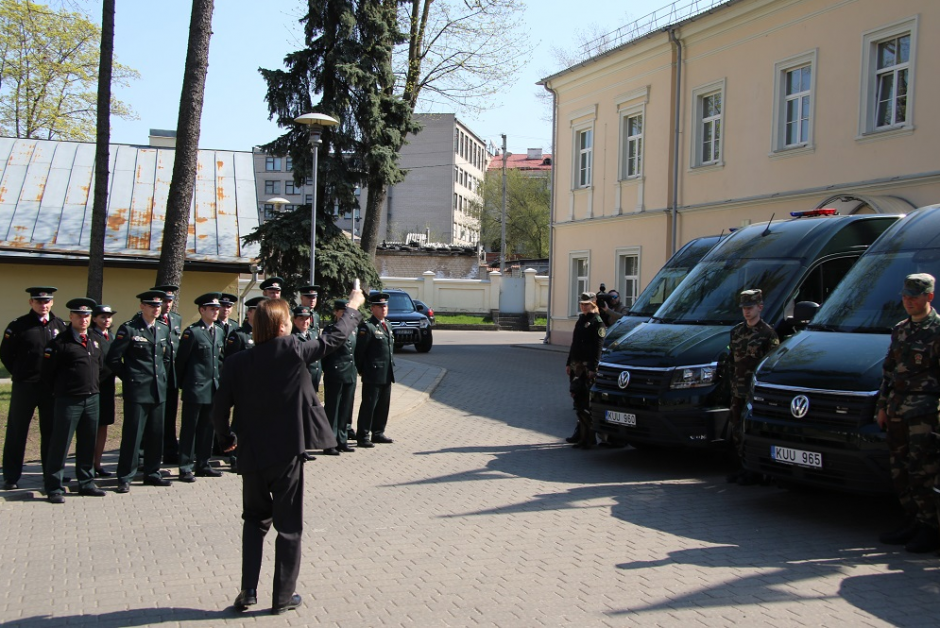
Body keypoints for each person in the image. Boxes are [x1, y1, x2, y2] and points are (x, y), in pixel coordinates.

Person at [211, 292, 364, 615]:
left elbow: (219, 407)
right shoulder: (292, 349)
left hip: (251, 456)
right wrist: (352, 306)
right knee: (289, 526)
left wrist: (226, 440)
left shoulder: (237, 361)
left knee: (253, 521)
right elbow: (333, 338)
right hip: (286, 454)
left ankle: (248, 590)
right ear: (281, 326)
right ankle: (282, 596)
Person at [876, 273, 940, 554]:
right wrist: (882, 406)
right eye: (905, 296)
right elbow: (888, 372)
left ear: (929, 297)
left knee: (922, 470)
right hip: (898, 409)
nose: (908, 301)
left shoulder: (937, 331)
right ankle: (913, 520)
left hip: (924, 412)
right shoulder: (900, 329)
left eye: (914, 296)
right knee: (900, 469)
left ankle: (930, 528)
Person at [40, 298, 108, 503]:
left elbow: (102, 368)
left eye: (86, 315)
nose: (83, 319)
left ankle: (86, 482)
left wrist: (93, 387)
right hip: (69, 400)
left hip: (92, 398)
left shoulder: (96, 341)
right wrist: (64, 391)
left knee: (88, 442)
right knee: (60, 443)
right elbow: (47, 374)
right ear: (71, 317)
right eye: (79, 315)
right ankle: (54, 486)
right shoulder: (59, 343)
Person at [1, 286, 68, 490]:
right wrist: (21, 373)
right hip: (26, 386)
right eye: (39, 301)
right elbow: (6, 355)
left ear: (52, 302)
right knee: (17, 431)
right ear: (31, 303)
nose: (43, 305)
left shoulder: (60, 326)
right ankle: (11, 476)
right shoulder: (19, 326)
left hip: (50, 388)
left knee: (52, 432)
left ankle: (52, 473)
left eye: (46, 301)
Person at [107, 290, 174, 493]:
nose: (156, 308)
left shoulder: (162, 329)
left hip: (157, 390)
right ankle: (125, 476)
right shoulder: (129, 329)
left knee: (156, 434)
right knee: (133, 435)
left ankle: (152, 473)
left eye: (158, 305)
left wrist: (162, 378)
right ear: (142, 307)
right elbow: (113, 359)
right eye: (151, 305)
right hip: (137, 390)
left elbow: (166, 358)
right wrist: (130, 378)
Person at [726, 289, 779, 485]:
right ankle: (743, 467)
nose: (746, 312)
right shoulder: (737, 332)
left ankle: (756, 471)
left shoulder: (768, 334)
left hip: (754, 393)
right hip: (737, 391)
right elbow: (731, 360)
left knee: (752, 430)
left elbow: (770, 366)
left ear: (760, 307)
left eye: (750, 307)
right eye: (744, 308)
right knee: (737, 429)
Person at [175, 293, 225, 482]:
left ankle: (203, 463)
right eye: (212, 308)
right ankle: (185, 466)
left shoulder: (219, 331)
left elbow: (219, 361)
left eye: (217, 308)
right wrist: (185, 385)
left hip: (213, 387)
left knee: (208, 428)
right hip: (195, 388)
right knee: (190, 429)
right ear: (201, 310)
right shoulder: (192, 332)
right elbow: (181, 362)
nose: (215, 311)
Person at [355, 292, 396, 447]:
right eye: (380, 306)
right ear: (372, 308)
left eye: (385, 306)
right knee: (369, 405)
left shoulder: (388, 325)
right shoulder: (368, 327)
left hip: (386, 373)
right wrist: (362, 370)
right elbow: (359, 352)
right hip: (372, 374)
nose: (383, 309)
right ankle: (363, 435)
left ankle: (378, 432)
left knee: (383, 405)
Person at [566, 292, 606, 449]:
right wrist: (569, 362)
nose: (583, 306)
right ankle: (581, 435)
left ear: (594, 303)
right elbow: (574, 343)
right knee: (577, 400)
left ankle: (588, 438)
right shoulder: (581, 319)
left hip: (587, 366)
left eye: (586, 304)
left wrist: (593, 367)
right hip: (577, 365)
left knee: (586, 402)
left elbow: (598, 347)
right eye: (582, 304)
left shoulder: (598, 322)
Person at [321, 299, 357, 454]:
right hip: (335, 373)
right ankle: (329, 443)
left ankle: (342, 440)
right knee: (332, 409)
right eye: (341, 311)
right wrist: (329, 371)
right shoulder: (330, 330)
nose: (344, 314)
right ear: (336, 312)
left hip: (350, 373)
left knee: (345, 409)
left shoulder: (352, 328)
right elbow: (325, 355)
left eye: (346, 311)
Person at [153, 284, 182, 465]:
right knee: (155, 415)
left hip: (172, 374)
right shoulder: (147, 319)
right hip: (156, 375)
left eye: (170, 301)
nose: (168, 304)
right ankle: (144, 452)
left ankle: (170, 450)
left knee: (171, 414)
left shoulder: (176, 319)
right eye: (165, 300)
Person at [90, 304, 117, 477]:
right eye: (102, 317)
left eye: (109, 316)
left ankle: (97, 463)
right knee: (90, 427)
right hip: (93, 387)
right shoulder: (91, 336)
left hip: (108, 387)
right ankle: (88, 465)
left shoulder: (111, 336)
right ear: (94, 319)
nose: (106, 320)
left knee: (103, 425)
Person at [298, 285, 322, 390]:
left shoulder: (315, 316)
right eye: (309, 297)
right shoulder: (294, 315)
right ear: (301, 298)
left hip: (314, 366)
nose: (312, 300)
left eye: (314, 297)